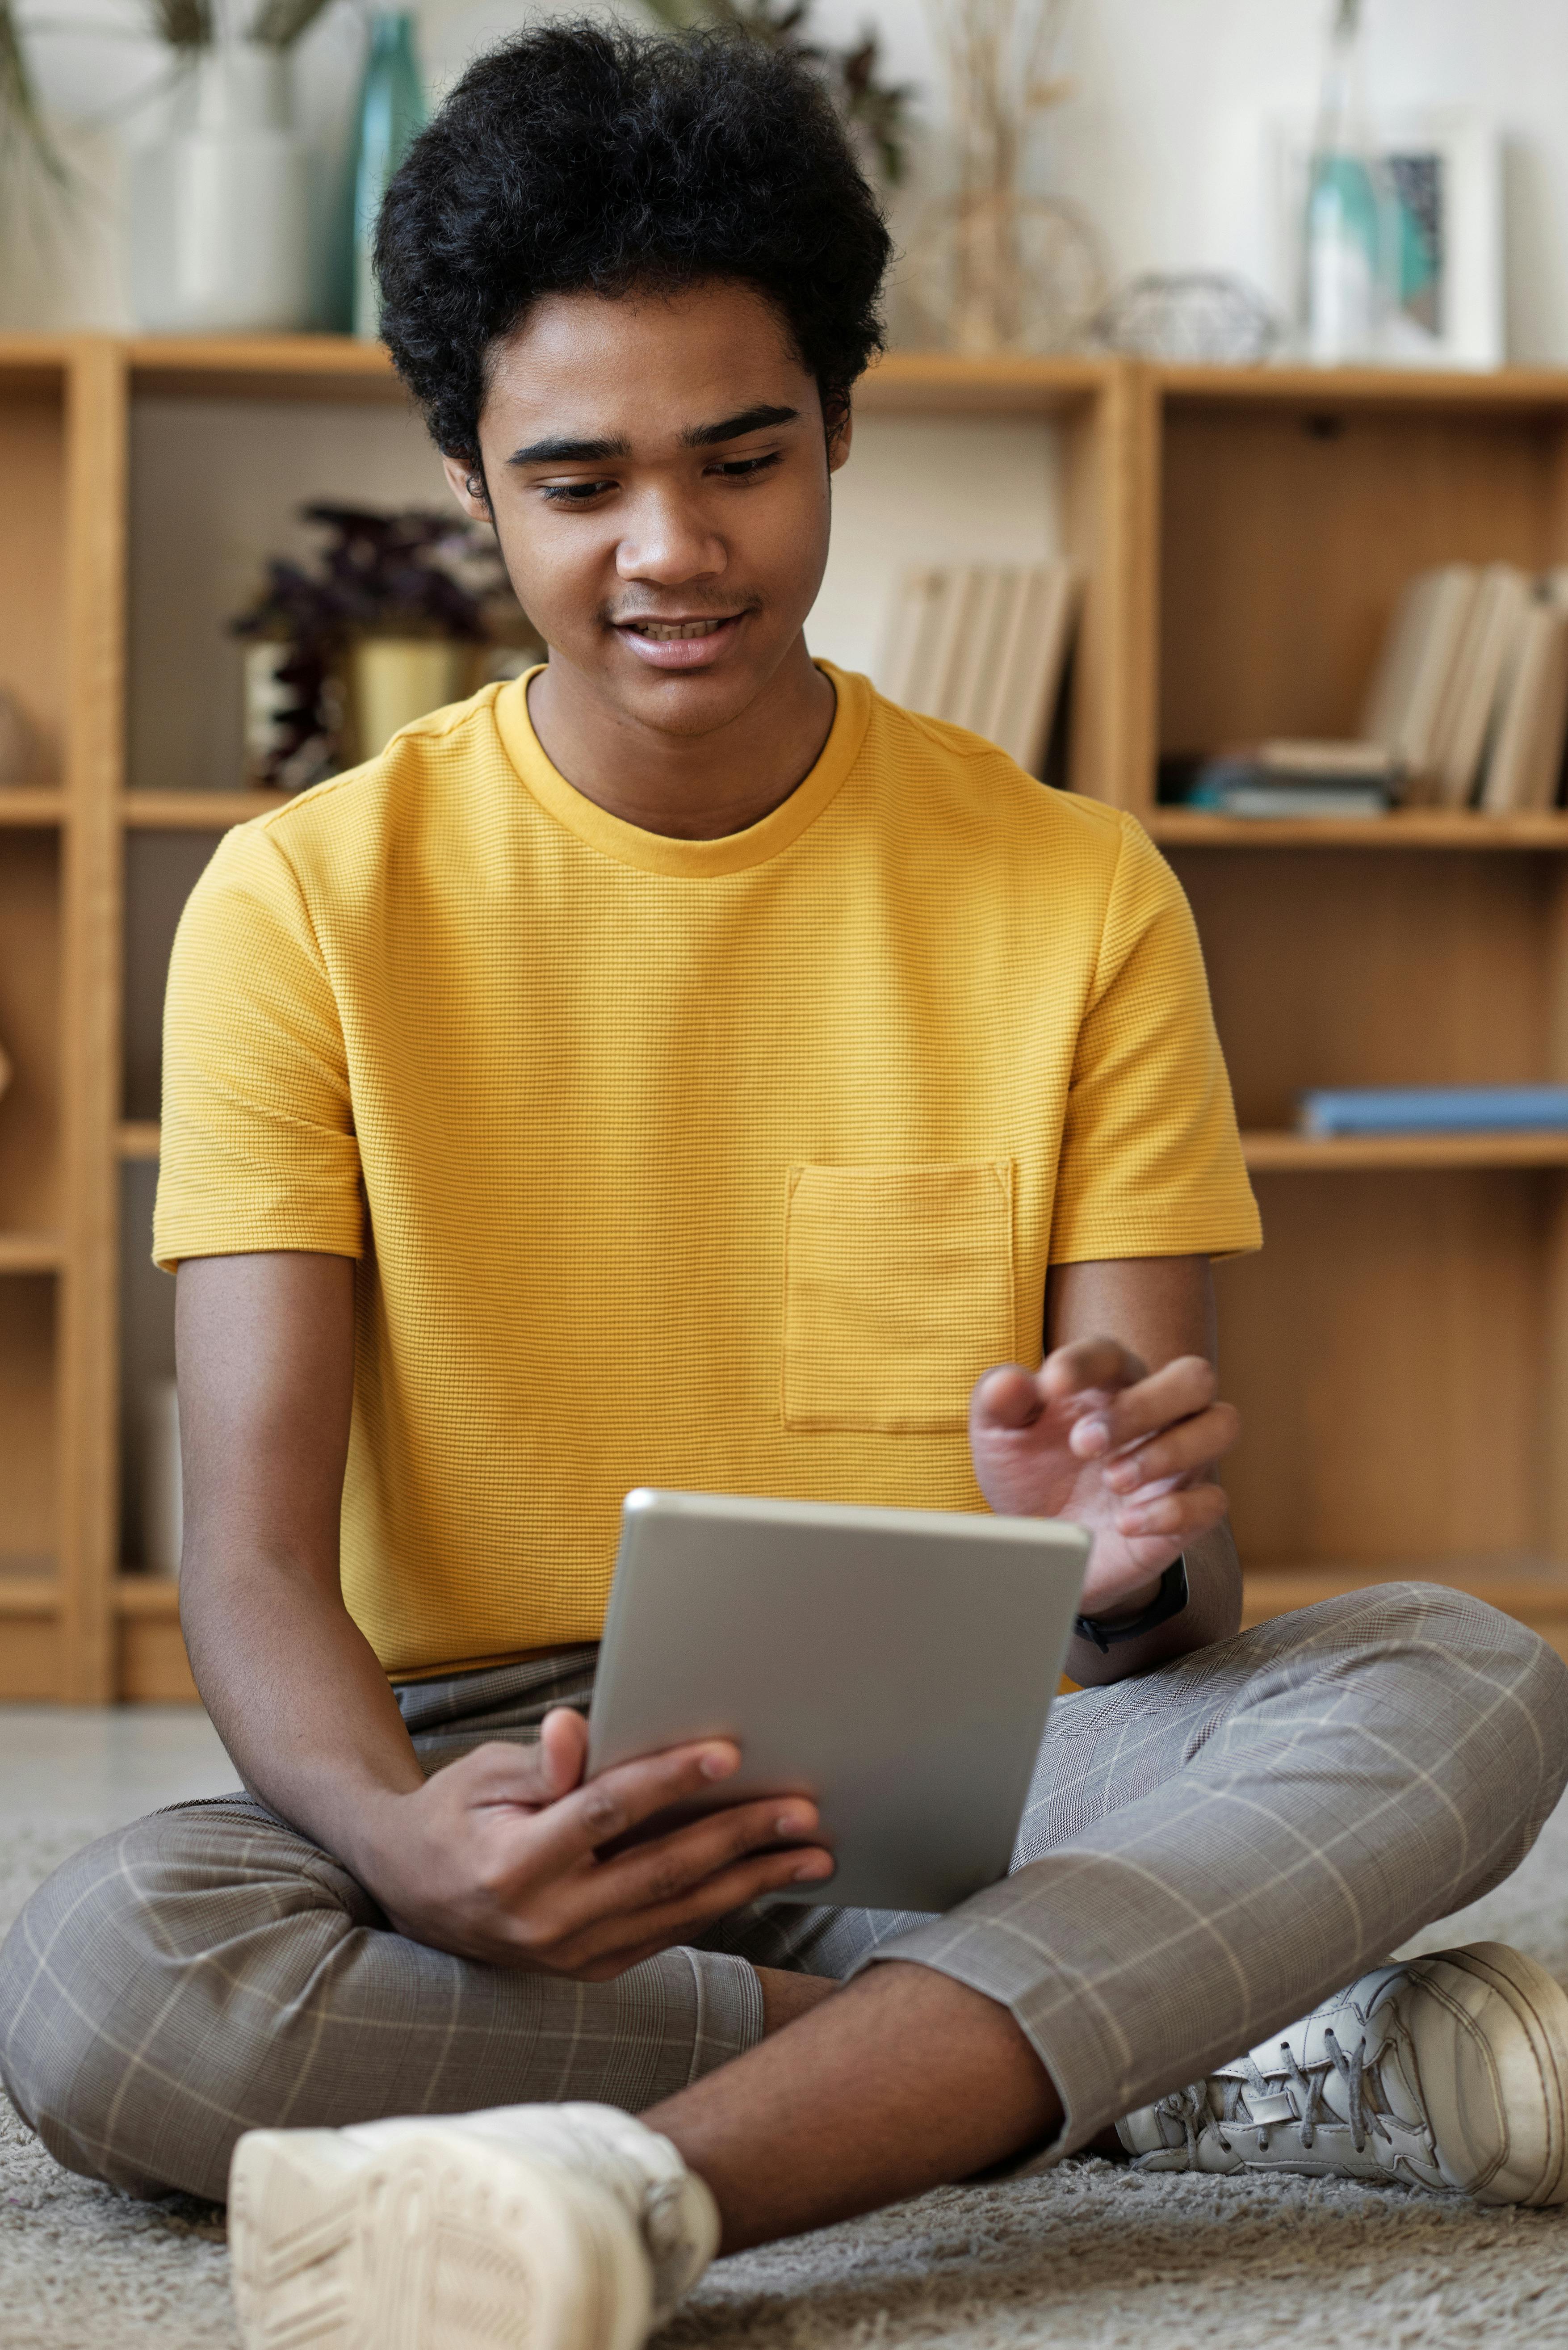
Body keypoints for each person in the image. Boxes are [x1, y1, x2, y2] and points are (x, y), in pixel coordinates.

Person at [4, 25, 1567, 2350]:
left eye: (742, 456)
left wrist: (1131, 1566)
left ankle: (639, 2192)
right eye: (577, 481)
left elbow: (1166, 1587)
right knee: (115, 1985)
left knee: (1457, 1675)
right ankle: (1183, 2058)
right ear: (468, 477)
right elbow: (244, 1544)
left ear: (842, 418)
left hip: (990, 1752)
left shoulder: (1074, 892)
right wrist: (404, 1844)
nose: (673, 552)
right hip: (499, 1764)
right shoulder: (301, 901)